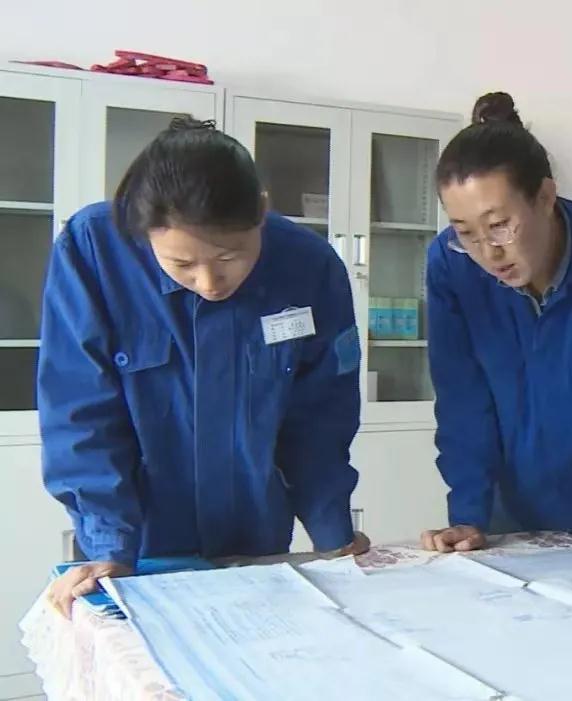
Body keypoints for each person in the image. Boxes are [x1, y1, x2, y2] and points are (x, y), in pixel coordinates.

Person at [41, 118, 368, 617]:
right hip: (137, 546)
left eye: (230, 256)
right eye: (182, 265)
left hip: (256, 534)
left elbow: (321, 417)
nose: (210, 281)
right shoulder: (94, 251)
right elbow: (80, 409)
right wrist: (109, 543)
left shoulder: (310, 266)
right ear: (143, 231)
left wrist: (333, 533)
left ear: (261, 210)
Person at [420, 92, 572, 557]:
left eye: (500, 225)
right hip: (501, 514)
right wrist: (468, 515)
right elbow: (462, 400)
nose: (488, 252)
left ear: (545, 197)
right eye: (466, 232)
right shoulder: (450, 264)